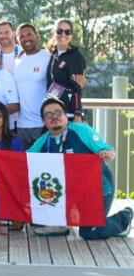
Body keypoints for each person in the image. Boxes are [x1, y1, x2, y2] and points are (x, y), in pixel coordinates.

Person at [28, 98, 132, 238]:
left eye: (58, 112)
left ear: (65, 115)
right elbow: (23, 162)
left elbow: (110, 150)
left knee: (89, 232)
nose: (54, 117)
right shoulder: (43, 140)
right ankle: (59, 224)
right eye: (48, 114)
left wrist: (106, 154)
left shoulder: (81, 130)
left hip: (99, 189)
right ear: (43, 121)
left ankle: (124, 217)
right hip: (70, 191)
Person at [14, 23, 50, 149]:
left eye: (29, 34)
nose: (26, 38)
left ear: (37, 36)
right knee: (24, 166)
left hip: (43, 123)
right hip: (21, 125)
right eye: (21, 36)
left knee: (43, 166)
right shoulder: (17, 60)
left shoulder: (47, 57)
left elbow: (58, 86)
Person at [45, 18, 87, 123]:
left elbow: (77, 87)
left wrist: (77, 113)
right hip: (52, 111)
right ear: (54, 33)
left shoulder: (76, 56)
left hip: (69, 113)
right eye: (59, 31)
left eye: (67, 32)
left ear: (71, 35)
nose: (63, 35)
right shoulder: (51, 54)